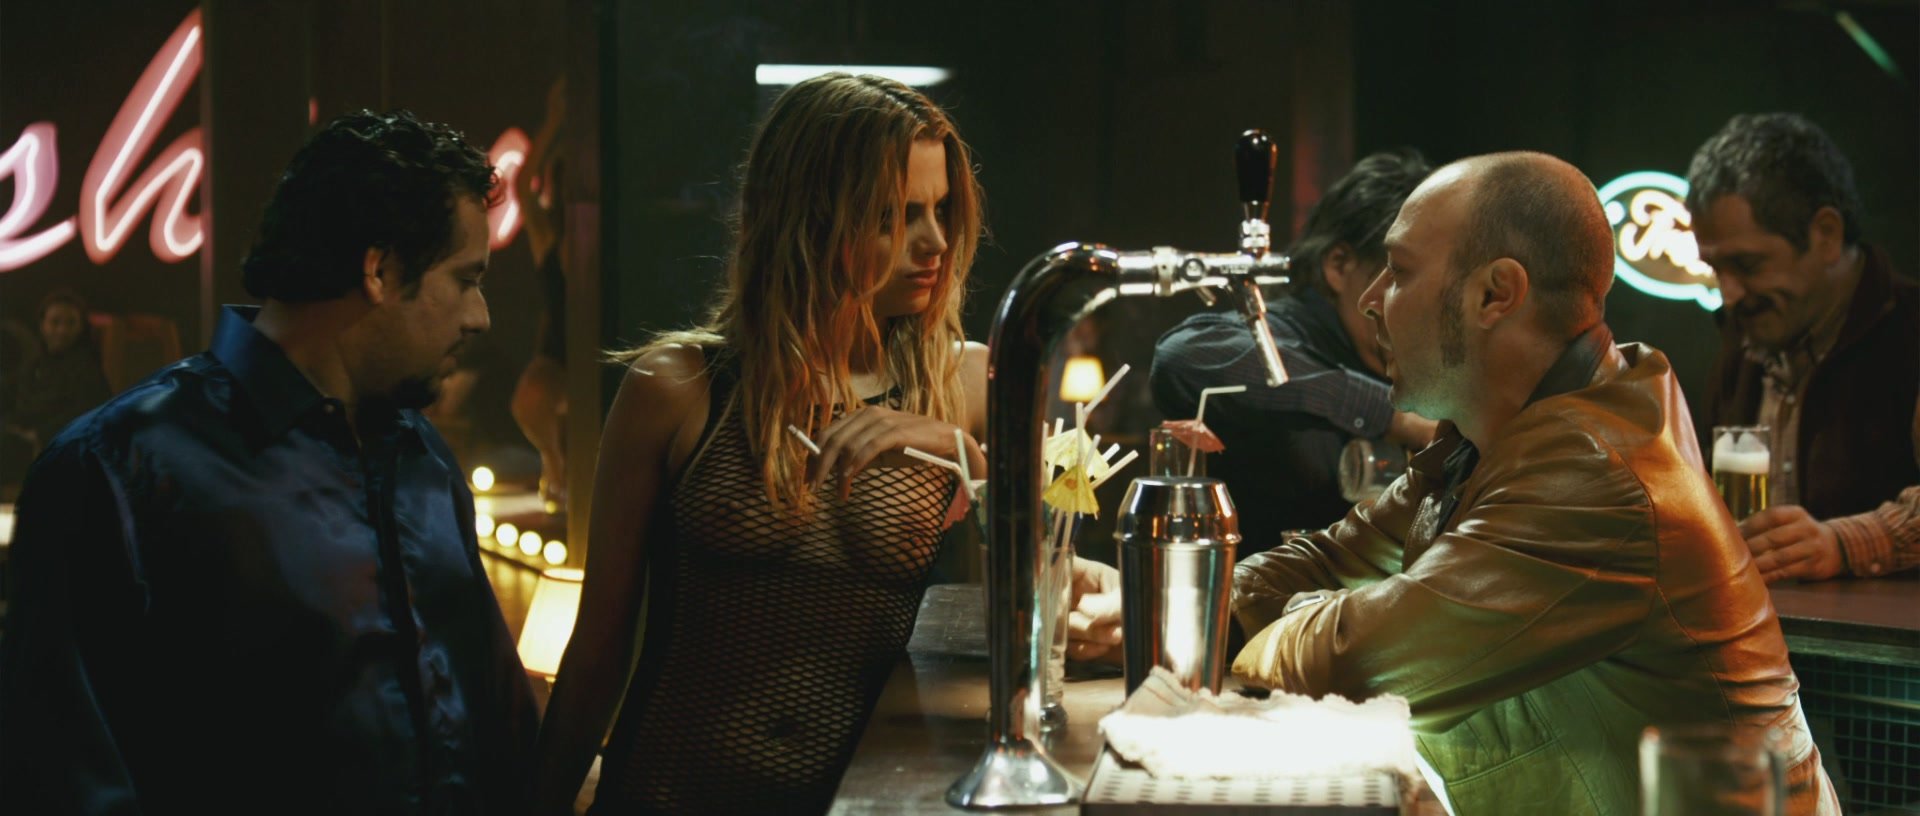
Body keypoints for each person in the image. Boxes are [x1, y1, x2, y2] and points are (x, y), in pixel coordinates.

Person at [1187, 152, 1835, 814]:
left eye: (1400, 272)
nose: (1370, 299)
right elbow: (1331, 561)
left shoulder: (1594, 471)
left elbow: (1356, 662)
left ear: (1496, 294)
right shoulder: (1489, 434)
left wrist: (1249, 617)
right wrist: (1212, 610)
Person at [0, 110, 538, 814]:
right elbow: (61, 776)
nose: (481, 317)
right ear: (379, 269)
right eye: (467, 279)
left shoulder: (422, 457)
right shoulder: (113, 469)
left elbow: (492, 724)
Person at [531, 73, 989, 815]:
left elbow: (1046, 600)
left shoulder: (963, 387)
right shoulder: (678, 388)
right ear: (812, 219)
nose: (935, 241)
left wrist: (959, 449)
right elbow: (598, 648)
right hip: (668, 797)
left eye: (941, 210)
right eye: (894, 216)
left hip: (861, 806)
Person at [1151, 150, 1438, 542]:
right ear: (1339, 265)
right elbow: (1183, 355)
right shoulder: (1285, 331)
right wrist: (1392, 417)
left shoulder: (1405, 355)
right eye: (1400, 278)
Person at [1686, 112, 1919, 583]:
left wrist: (1843, 545)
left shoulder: (1911, 332)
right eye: (1715, 269)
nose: (1728, 294)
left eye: (1747, 264)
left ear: (1826, 234)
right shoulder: (1743, 341)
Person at [510, 77, 571, 509]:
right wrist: (555, 120)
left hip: (594, 346)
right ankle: (556, 466)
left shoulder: (597, 243)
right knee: (529, 399)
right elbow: (522, 185)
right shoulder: (549, 237)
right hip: (557, 352)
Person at [0, 289, 113, 477]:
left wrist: (38, 434)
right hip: (19, 437)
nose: (62, 330)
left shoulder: (88, 370)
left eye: (70, 323)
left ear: (81, 328)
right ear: (42, 325)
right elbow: (12, 395)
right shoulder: (35, 365)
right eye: (55, 322)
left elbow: (89, 415)